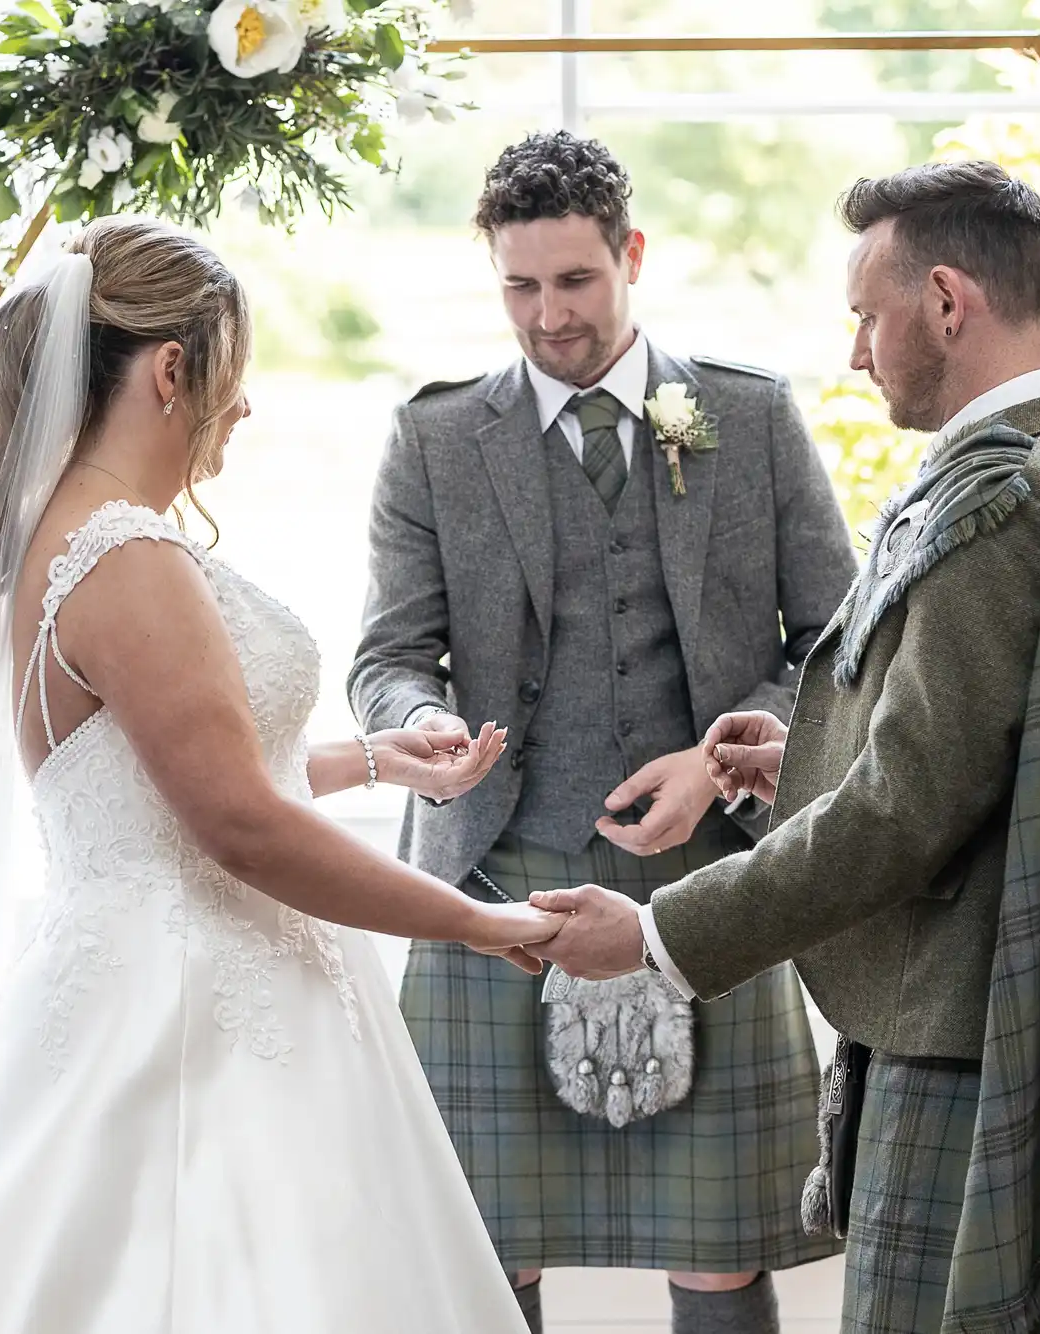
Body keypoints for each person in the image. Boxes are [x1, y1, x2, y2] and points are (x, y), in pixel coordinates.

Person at [0, 217, 562, 1333]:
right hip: (197, 1015)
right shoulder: (125, 555)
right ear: (172, 370)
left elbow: (137, 785)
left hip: (137, 974)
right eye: (237, 373)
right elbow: (235, 825)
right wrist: (470, 918)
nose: (247, 406)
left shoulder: (54, 536)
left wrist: (365, 757)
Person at [532, 162, 1040, 1332]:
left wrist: (658, 932)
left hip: (959, 1039)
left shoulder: (1002, 501)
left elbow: (902, 811)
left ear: (947, 302)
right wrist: (802, 755)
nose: (856, 352)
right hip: (968, 1009)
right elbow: (974, 758)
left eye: (867, 315)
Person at [351, 131, 856, 1334]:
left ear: (631, 255)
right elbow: (386, 658)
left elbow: (837, 649)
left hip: (714, 877)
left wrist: (723, 756)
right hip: (492, 877)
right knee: (490, 1244)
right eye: (518, 285)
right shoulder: (434, 439)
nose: (545, 316)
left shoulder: (749, 415)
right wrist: (419, 724)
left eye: (573, 281)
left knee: (724, 1250)